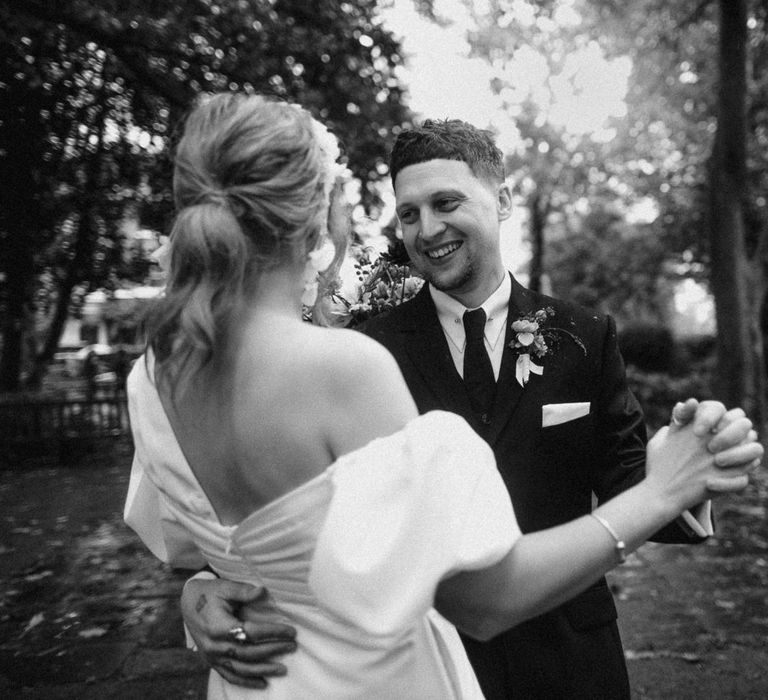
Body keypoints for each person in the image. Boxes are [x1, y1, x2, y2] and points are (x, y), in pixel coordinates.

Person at [125, 95, 761, 699]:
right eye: (407, 213)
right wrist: (205, 584)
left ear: (502, 199)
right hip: (417, 660)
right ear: (316, 213)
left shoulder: (152, 376)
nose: (425, 229)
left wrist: (681, 474)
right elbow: (466, 592)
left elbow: (252, 528)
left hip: (565, 661)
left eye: (447, 202)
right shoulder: (357, 352)